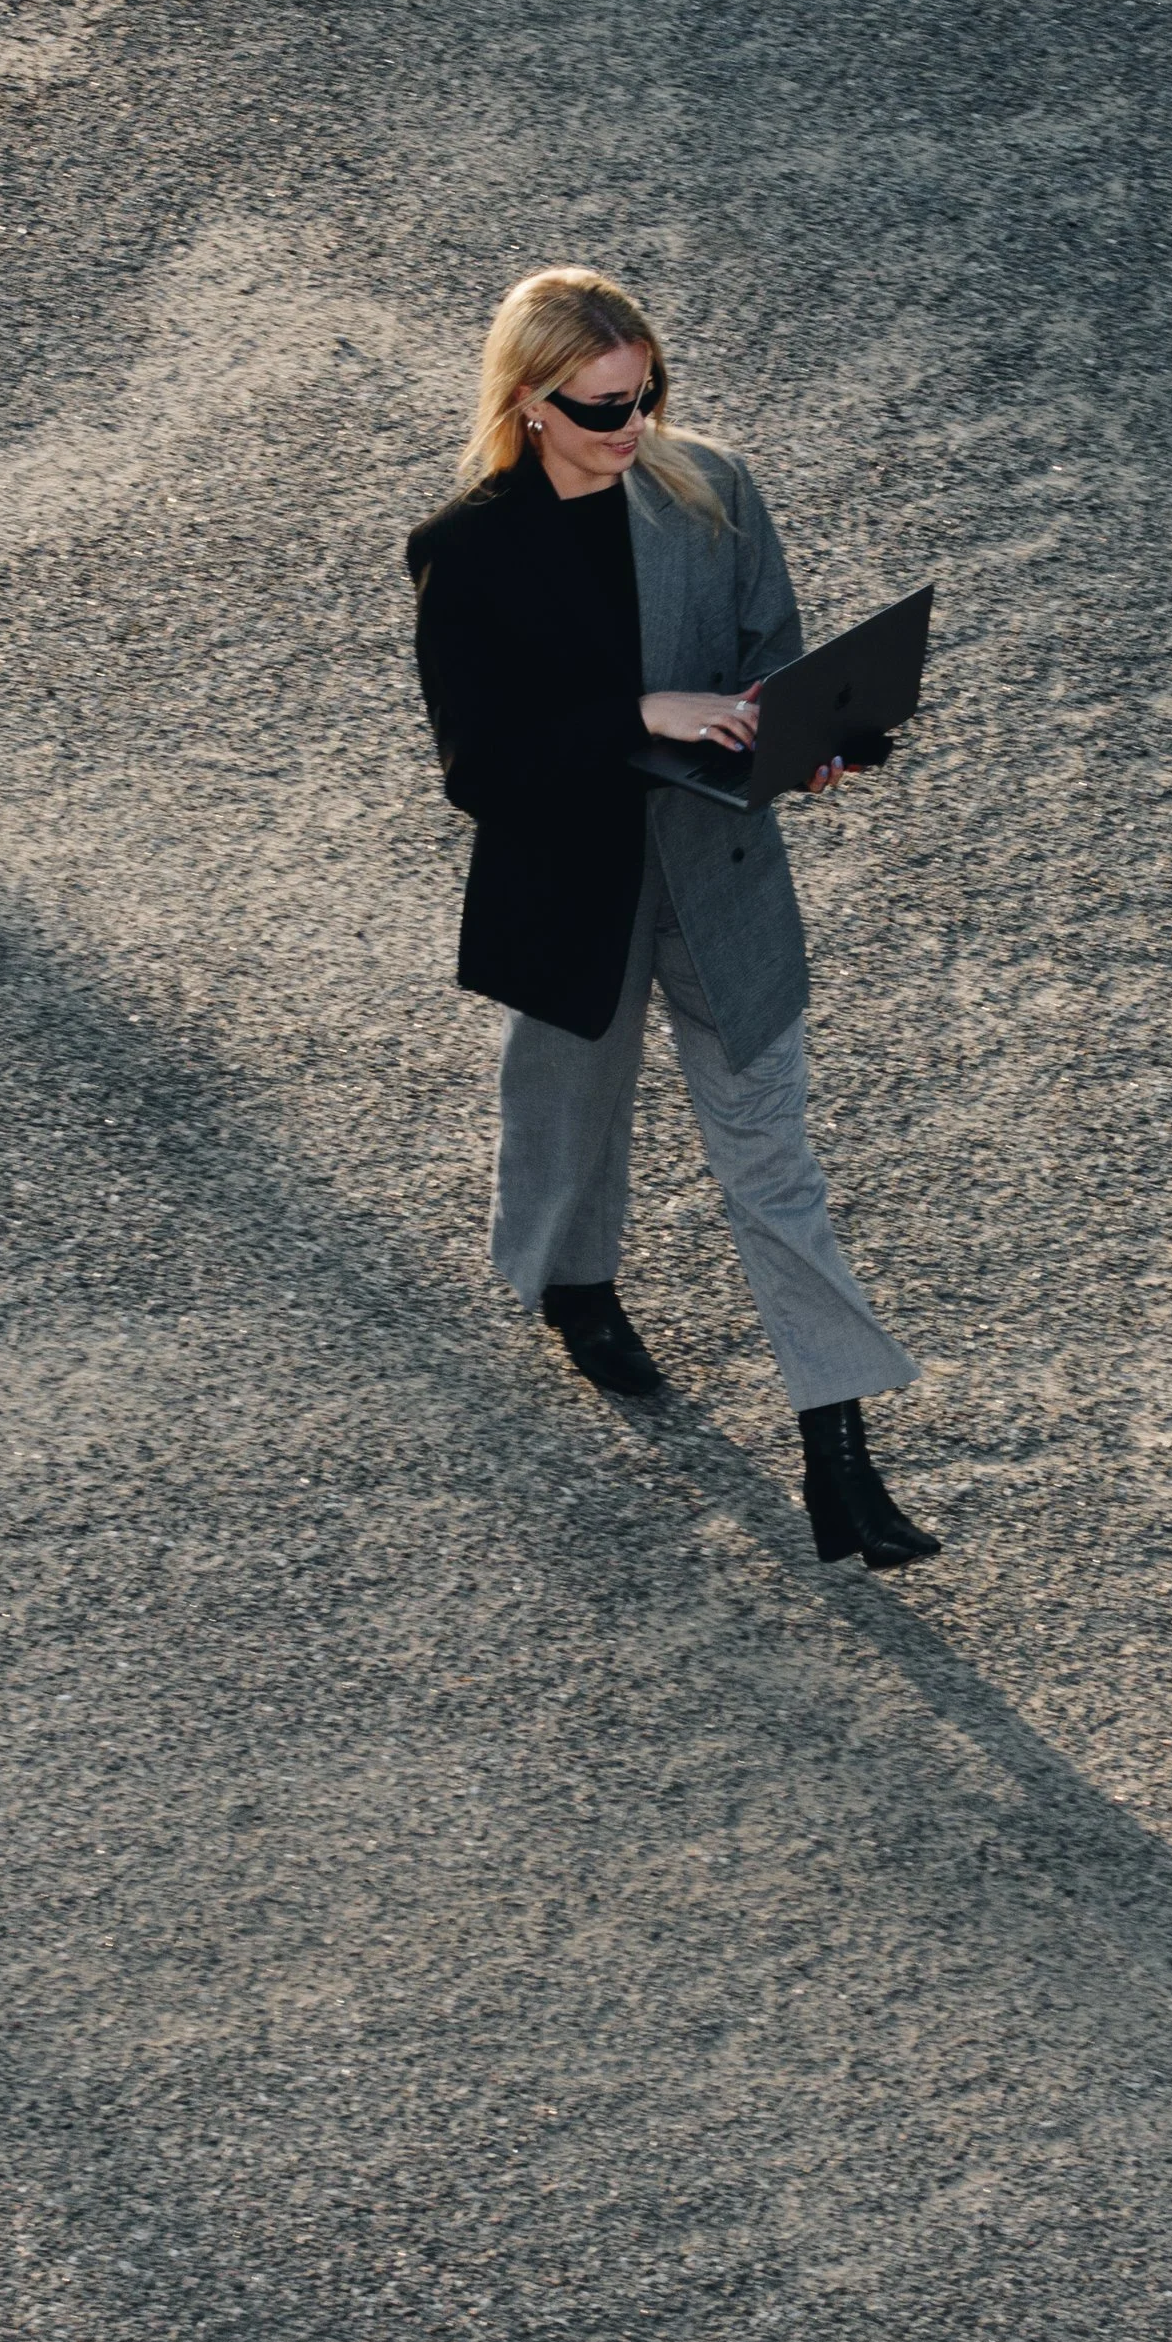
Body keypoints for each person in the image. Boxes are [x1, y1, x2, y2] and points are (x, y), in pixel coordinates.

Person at [405, 265, 940, 1571]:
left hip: (719, 871)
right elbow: (480, 767)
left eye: (648, 395)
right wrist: (640, 714)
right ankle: (572, 1285)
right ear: (530, 403)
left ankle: (838, 1450)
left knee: (774, 1163)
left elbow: (777, 656)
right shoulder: (469, 549)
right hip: (572, 884)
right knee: (570, 1108)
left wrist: (819, 741)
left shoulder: (711, 491)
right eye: (601, 409)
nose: (633, 427)